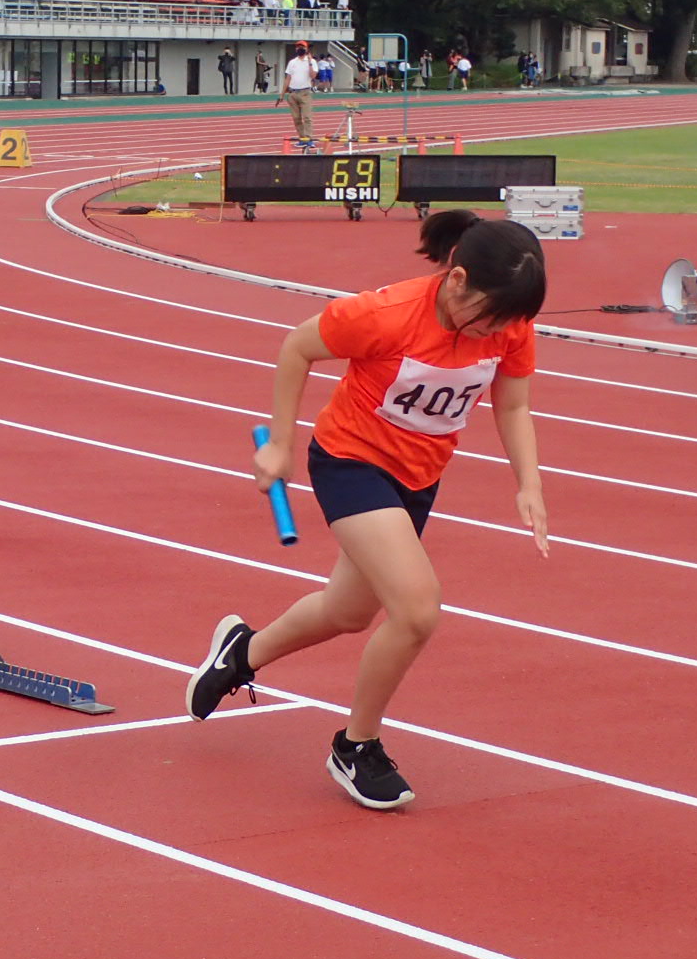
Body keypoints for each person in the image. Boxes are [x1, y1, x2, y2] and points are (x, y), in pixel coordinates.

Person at [185, 211, 549, 810]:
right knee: (416, 610)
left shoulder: (508, 324)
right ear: (456, 279)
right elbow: (297, 347)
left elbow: (513, 408)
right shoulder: (384, 314)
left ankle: (241, 653)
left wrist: (528, 483)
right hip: (352, 462)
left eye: (512, 321)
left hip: (419, 476)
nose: (500, 332)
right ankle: (356, 745)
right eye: (492, 315)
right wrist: (278, 443)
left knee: (348, 612)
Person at [277, 41, 316, 143]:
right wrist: (282, 94)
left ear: (307, 49)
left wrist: (310, 62)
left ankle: (308, 138)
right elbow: (288, 78)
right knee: (296, 118)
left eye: (302, 46)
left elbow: (313, 76)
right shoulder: (292, 62)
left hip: (305, 92)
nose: (300, 48)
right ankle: (302, 138)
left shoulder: (311, 61)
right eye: (298, 47)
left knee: (307, 117)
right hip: (293, 93)